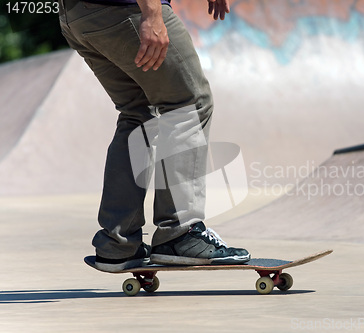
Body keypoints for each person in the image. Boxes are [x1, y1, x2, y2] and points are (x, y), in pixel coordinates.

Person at [58, 0, 250, 272]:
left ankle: (118, 243)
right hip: (126, 10)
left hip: (77, 16)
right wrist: (151, 15)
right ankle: (180, 232)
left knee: (136, 113)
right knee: (189, 104)